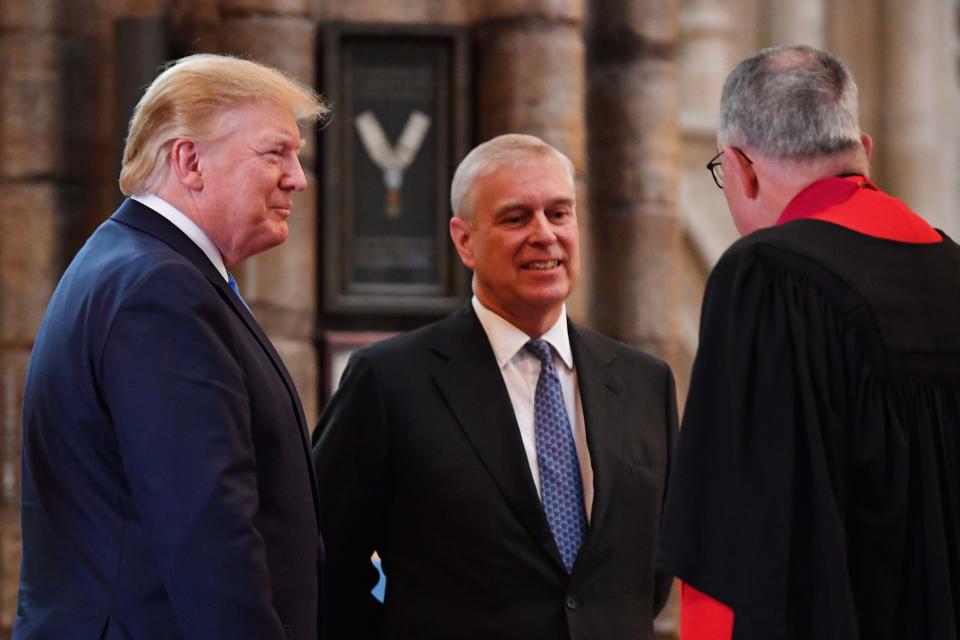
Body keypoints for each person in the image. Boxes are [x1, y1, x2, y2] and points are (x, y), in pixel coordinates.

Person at [312, 133, 677, 640]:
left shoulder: (645, 381)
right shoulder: (390, 381)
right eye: (515, 217)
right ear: (464, 240)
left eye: (559, 213)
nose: (544, 234)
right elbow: (325, 563)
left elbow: (649, 573)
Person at [14, 54, 328, 639]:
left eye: (297, 156)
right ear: (190, 161)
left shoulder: (133, 263)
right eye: (275, 153)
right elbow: (209, 537)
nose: (297, 177)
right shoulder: (161, 291)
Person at [657, 45, 960, 639]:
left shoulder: (767, 277)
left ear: (740, 166)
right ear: (863, 151)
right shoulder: (954, 268)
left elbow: (735, 538)